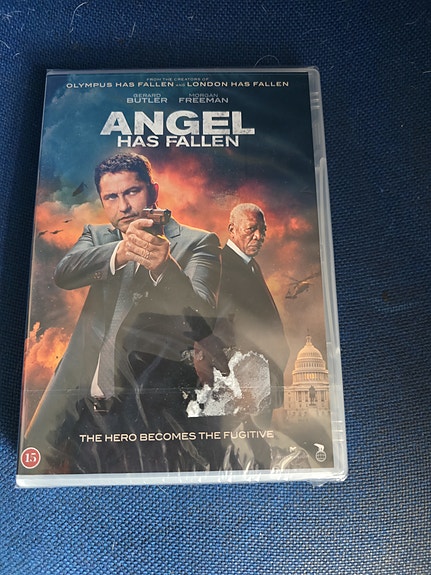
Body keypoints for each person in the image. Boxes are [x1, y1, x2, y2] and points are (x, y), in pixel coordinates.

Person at [23, 153, 228, 475]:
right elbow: (64, 273)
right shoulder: (97, 236)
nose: (124, 206)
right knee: (36, 472)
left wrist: (165, 269)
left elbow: (203, 315)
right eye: (111, 197)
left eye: (132, 191)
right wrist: (120, 252)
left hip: (150, 415)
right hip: (78, 404)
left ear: (153, 190)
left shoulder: (199, 242)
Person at [214, 203, 289, 468]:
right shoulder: (221, 264)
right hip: (244, 379)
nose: (259, 236)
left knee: (255, 452)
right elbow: (221, 326)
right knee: (241, 454)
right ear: (232, 229)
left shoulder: (250, 265)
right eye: (251, 229)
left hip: (260, 376)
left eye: (263, 230)